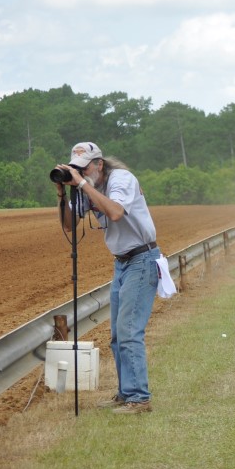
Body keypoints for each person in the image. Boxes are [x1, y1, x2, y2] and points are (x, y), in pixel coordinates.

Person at [54, 142, 160, 415]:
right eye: (74, 168)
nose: (79, 172)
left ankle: (140, 399)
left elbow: (114, 212)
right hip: (122, 263)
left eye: (84, 167)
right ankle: (126, 393)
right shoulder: (85, 186)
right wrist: (62, 194)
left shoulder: (120, 179)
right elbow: (68, 225)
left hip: (142, 258)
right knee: (116, 335)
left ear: (99, 164)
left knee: (129, 332)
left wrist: (82, 185)